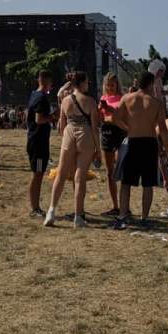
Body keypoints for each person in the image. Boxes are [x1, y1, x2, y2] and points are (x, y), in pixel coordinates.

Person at [111, 70, 168, 230]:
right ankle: (144, 217)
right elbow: (163, 129)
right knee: (148, 184)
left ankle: (123, 216)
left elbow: (115, 118)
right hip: (149, 143)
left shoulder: (127, 98)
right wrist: (165, 149)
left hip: (131, 142)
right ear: (151, 84)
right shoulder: (156, 103)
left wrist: (128, 128)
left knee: (126, 182)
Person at [44, 71, 101, 229]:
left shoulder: (65, 100)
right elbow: (95, 128)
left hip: (69, 133)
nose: (88, 85)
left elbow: (61, 126)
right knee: (80, 176)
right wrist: (98, 150)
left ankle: (51, 211)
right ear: (81, 83)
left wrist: (67, 138)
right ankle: (78, 216)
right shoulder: (90, 101)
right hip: (85, 135)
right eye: (87, 82)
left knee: (61, 174)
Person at [26, 70, 55, 217]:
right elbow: (39, 119)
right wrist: (52, 117)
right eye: (50, 83)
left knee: (38, 173)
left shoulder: (34, 95)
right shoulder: (41, 98)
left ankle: (35, 206)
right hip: (38, 143)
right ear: (46, 81)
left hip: (36, 141)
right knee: (37, 174)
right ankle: (35, 208)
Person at [97, 73, 126, 217]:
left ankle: (124, 205)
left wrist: (108, 111)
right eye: (107, 85)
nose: (110, 88)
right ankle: (116, 206)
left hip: (119, 134)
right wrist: (99, 111)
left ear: (117, 85)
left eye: (112, 85)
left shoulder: (122, 98)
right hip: (106, 133)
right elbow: (101, 118)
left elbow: (118, 118)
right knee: (110, 172)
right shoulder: (103, 98)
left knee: (121, 169)